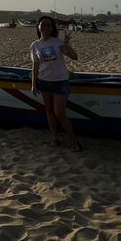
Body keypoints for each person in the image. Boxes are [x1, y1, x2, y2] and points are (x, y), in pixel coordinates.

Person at [30, 16, 82, 152]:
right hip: (44, 82)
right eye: (43, 25)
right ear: (38, 27)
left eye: (49, 26)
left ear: (52, 28)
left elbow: (74, 57)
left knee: (60, 114)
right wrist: (34, 84)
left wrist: (67, 44)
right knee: (49, 111)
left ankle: (75, 141)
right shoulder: (35, 45)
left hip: (60, 82)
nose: (46, 27)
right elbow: (35, 66)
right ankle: (54, 138)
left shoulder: (57, 42)